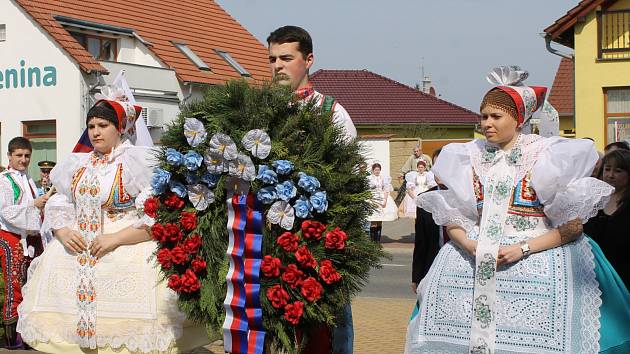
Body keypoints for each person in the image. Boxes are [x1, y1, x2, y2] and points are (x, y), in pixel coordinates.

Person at [405, 66, 630, 353]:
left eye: (496, 116)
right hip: (471, 261)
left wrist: (522, 249)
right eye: (484, 116)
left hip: (537, 258)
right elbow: (454, 218)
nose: (487, 123)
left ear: (519, 119)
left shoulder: (547, 156)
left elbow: (573, 227)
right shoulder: (467, 155)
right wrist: (469, 244)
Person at [16, 85, 209, 353]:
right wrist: (61, 231)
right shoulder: (77, 163)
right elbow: (60, 202)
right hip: (76, 250)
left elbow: (158, 215)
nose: (95, 131)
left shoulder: (136, 162)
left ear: (119, 127)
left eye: (103, 125)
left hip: (126, 245)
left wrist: (115, 238)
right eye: (91, 125)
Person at [268, 25, 356, 354]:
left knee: (326, 328)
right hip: (269, 243)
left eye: (286, 58)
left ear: (308, 60)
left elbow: (351, 187)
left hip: (315, 244)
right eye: (272, 58)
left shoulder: (332, 113)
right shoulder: (260, 113)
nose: (277, 65)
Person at [0, 137, 47, 349]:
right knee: (15, 284)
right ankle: (13, 339)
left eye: (27, 155)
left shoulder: (28, 179)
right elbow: (6, 211)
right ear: (9, 156)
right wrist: (34, 205)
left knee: (31, 284)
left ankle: (28, 332)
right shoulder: (4, 180)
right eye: (19, 155)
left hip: (29, 236)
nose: (24, 159)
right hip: (11, 236)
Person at [584, 149, 630, 288]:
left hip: (624, 275)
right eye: (607, 169)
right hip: (595, 275)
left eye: (618, 171)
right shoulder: (593, 199)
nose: (610, 175)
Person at [411, 148, 445, 293]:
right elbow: (421, 242)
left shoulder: (468, 198)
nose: (439, 172)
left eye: (444, 166)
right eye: (436, 167)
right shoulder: (425, 199)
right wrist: (417, 277)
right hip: (432, 267)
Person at [367, 163, 398, 242]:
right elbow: (367, 190)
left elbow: (386, 190)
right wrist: (370, 199)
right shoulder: (369, 178)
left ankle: (377, 241)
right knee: (373, 220)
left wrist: (385, 200)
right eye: (375, 170)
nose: (377, 171)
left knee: (380, 220)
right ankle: (372, 242)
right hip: (372, 198)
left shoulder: (384, 178)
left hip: (381, 197)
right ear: (372, 170)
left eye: (378, 170)